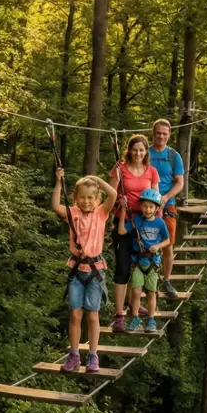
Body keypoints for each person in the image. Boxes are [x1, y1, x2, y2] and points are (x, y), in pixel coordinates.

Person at [50, 168, 117, 373]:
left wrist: (95, 178)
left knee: (93, 316)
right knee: (75, 315)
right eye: (82, 198)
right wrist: (59, 182)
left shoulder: (101, 213)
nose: (86, 201)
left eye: (90, 198)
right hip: (77, 271)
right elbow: (54, 205)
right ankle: (74, 355)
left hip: (95, 271)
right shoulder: (73, 214)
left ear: (97, 199)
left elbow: (113, 194)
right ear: (76, 198)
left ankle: (93, 355)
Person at [110, 134, 160, 333]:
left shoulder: (152, 172)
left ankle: (133, 303)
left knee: (137, 267)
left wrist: (157, 225)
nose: (138, 153)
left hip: (144, 225)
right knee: (123, 267)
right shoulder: (119, 169)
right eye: (135, 149)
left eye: (142, 150)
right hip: (124, 222)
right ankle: (120, 313)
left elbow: (156, 200)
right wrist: (117, 202)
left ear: (146, 152)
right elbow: (110, 194)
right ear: (129, 150)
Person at [121, 188, 172, 332]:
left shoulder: (160, 223)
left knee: (151, 292)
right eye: (145, 206)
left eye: (151, 207)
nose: (147, 209)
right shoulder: (136, 221)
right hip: (137, 262)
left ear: (156, 208)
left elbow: (167, 240)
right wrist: (124, 211)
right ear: (140, 207)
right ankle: (135, 318)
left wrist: (158, 246)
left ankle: (151, 319)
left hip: (152, 262)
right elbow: (121, 231)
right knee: (136, 292)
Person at [148, 119, 186, 298]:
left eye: (165, 133)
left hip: (167, 203)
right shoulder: (144, 153)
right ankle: (148, 279)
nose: (161, 136)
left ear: (169, 135)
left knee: (168, 243)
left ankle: (167, 280)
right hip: (146, 203)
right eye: (158, 133)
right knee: (145, 241)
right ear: (153, 133)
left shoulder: (173, 156)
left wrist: (166, 197)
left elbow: (179, 183)